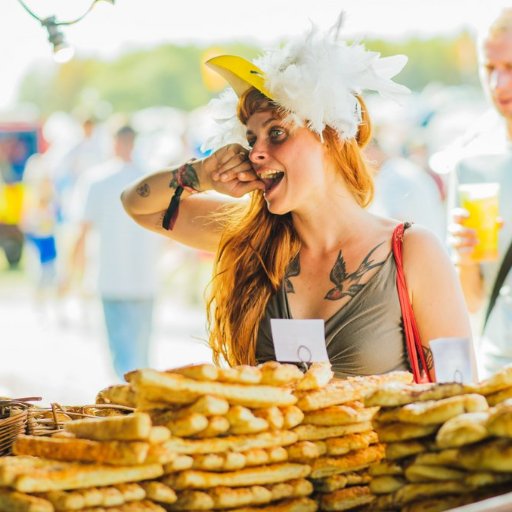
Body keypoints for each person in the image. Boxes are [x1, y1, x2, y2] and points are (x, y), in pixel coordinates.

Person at [122, 22, 471, 380]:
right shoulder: (253, 239)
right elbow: (137, 204)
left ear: (331, 136)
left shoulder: (411, 250)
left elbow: (458, 390)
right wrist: (202, 174)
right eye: (250, 137)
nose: (255, 152)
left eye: (276, 133)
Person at [447, 8, 512, 378]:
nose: (499, 84)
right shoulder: (471, 165)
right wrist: (465, 259)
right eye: (490, 69)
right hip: (497, 370)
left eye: (511, 67)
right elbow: (471, 300)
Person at [70, 124, 162, 379]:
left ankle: (125, 407)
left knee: (119, 355)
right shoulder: (153, 178)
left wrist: (72, 274)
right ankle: (142, 405)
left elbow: (83, 230)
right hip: (145, 278)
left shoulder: (96, 180)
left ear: (114, 142)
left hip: (110, 278)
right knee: (142, 354)